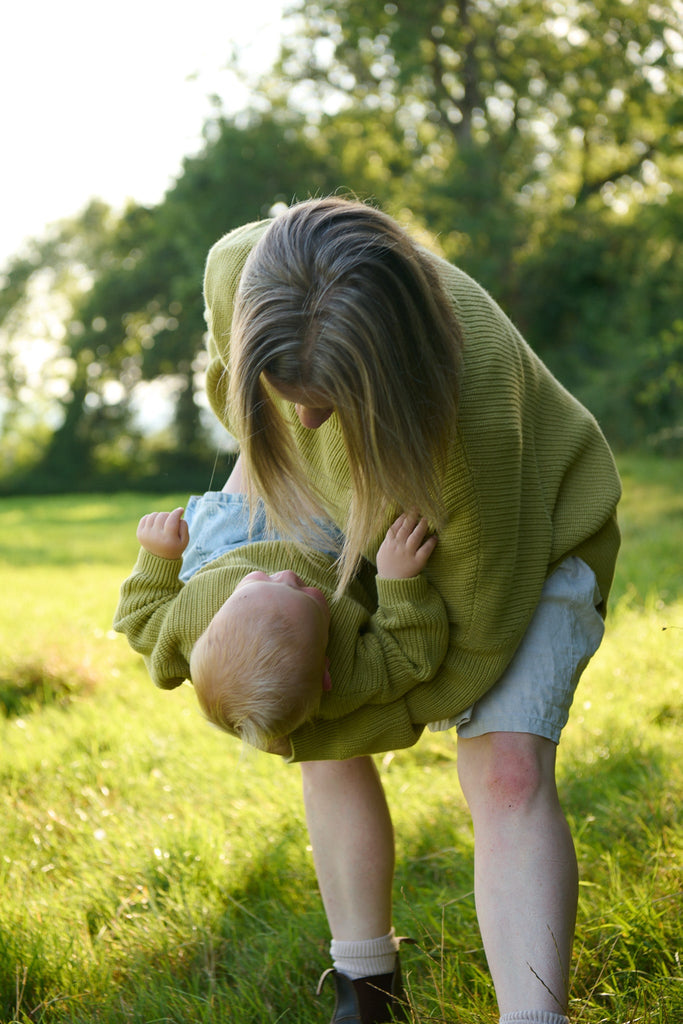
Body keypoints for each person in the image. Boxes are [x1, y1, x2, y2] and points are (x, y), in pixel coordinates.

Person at [201, 197, 622, 1024]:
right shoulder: (235, 271)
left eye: (327, 400)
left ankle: (533, 1016)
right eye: (286, 393)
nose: (306, 418)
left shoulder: (469, 421)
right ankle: (365, 990)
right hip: (342, 508)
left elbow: (474, 648)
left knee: (501, 770)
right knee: (313, 712)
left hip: (524, 543)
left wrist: (357, 684)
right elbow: (242, 396)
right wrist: (303, 676)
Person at [113, 469, 449, 756]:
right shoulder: (353, 671)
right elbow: (409, 654)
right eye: (304, 594)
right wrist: (397, 579)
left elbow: (138, 617)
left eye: (258, 583)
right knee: (316, 452)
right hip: (321, 546)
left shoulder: (187, 627)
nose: (286, 576)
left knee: (263, 438)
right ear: (324, 672)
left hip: (230, 538)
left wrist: (158, 555)